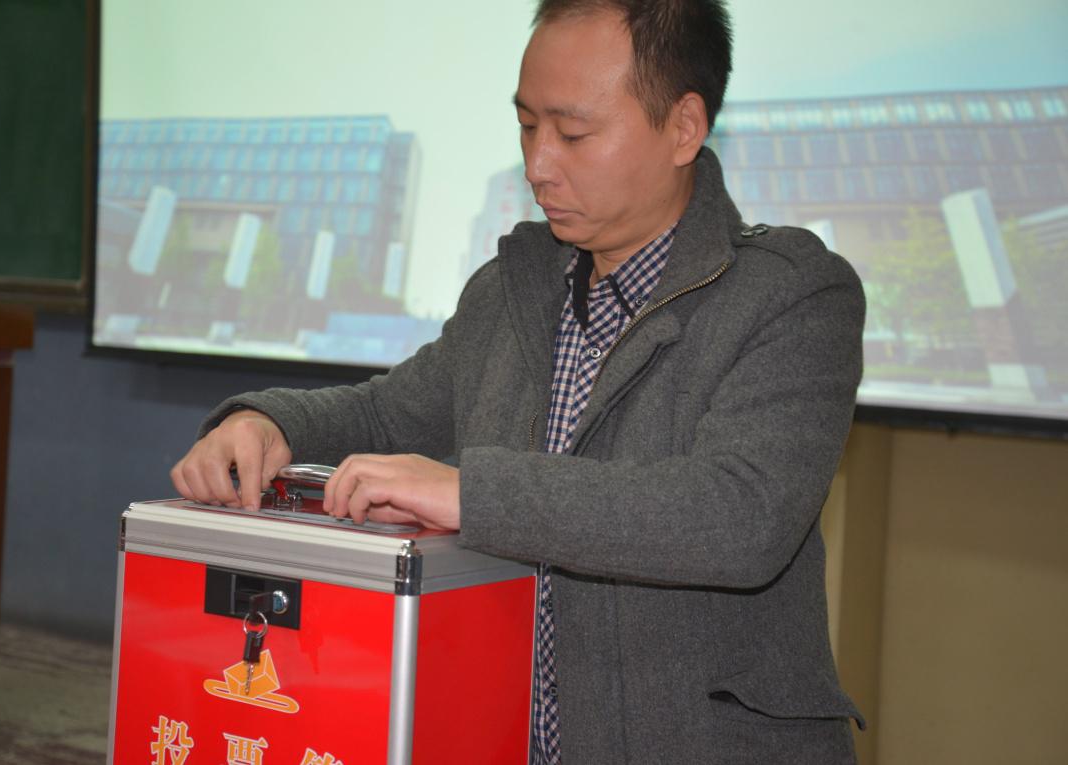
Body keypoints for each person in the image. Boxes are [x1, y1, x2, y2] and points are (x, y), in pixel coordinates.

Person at [172, 0, 866, 761]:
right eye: (527, 126)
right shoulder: (516, 287)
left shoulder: (789, 293)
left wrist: (472, 493)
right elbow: (387, 414)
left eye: (573, 133)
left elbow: (738, 516)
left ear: (683, 127)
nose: (538, 164)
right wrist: (269, 422)